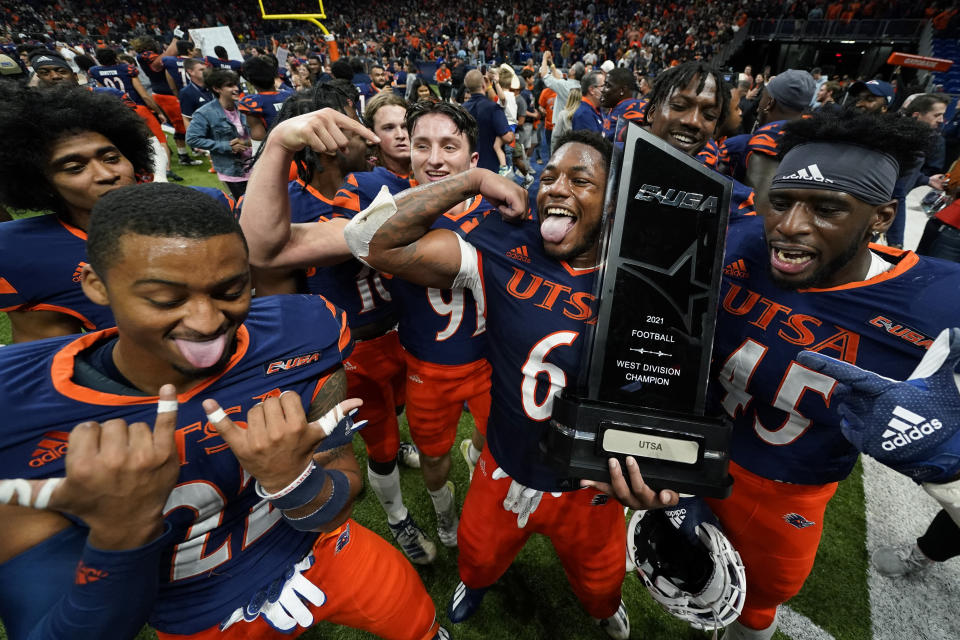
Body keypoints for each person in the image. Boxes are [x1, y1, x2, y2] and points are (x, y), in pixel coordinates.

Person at [0, 180, 447, 640]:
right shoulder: (16, 405)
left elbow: (336, 500)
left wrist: (291, 480)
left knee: (419, 624)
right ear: (96, 284)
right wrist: (123, 534)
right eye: (165, 298)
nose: (206, 321)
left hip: (323, 548)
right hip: (196, 610)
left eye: (231, 291)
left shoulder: (304, 333)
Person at [603, 108, 952, 640]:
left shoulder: (937, 304)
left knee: (758, 604)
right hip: (692, 449)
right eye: (782, 202)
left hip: (786, 489)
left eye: (828, 209)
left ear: (880, 217)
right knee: (684, 569)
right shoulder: (736, 239)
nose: (790, 225)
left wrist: (948, 467)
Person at [239, 102, 433, 565]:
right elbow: (257, 257)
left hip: (397, 333)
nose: (370, 138)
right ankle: (398, 519)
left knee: (397, 413)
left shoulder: (377, 183)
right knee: (378, 443)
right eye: (355, 129)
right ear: (321, 144)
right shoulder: (279, 205)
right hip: (346, 351)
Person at [0, 84, 151, 342]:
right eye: (74, 167)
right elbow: (46, 358)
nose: (107, 175)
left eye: (112, 158)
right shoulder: (24, 253)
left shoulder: (206, 207)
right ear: (42, 183)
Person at [186, 69, 253, 198]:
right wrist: (226, 146)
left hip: (256, 166)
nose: (236, 88)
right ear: (217, 89)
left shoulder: (245, 106)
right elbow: (192, 139)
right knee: (244, 208)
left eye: (236, 84)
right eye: (230, 85)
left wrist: (245, 142)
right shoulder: (205, 113)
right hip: (233, 172)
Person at [462, 69, 513, 173]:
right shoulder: (493, 108)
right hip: (491, 167)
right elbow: (508, 138)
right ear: (484, 85)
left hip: (468, 166)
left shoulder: (461, 109)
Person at [238, 56, 294, 141]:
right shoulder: (291, 94)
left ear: (250, 80)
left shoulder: (251, 102)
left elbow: (259, 136)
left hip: (278, 149)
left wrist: (244, 142)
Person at [600, 67, 647, 141]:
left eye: (608, 85)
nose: (602, 90)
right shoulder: (616, 106)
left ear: (622, 90)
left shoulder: (633, 108)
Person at [551, 88, 582, 152]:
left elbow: (556, 134)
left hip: (566, 150)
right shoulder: (585, 113)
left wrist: (553, 153)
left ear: (569, 98)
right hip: (581, 149)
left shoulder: (563, 114)